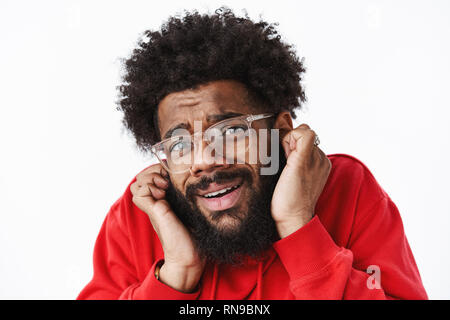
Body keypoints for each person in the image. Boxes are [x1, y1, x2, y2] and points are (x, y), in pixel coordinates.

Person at [77, 8, 427, 299]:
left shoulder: (346, 189)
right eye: (179, 144)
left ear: (282, 130)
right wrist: (176, 274)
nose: (203, 162)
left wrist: (297, 226)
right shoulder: (145, 210)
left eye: (230, 132)